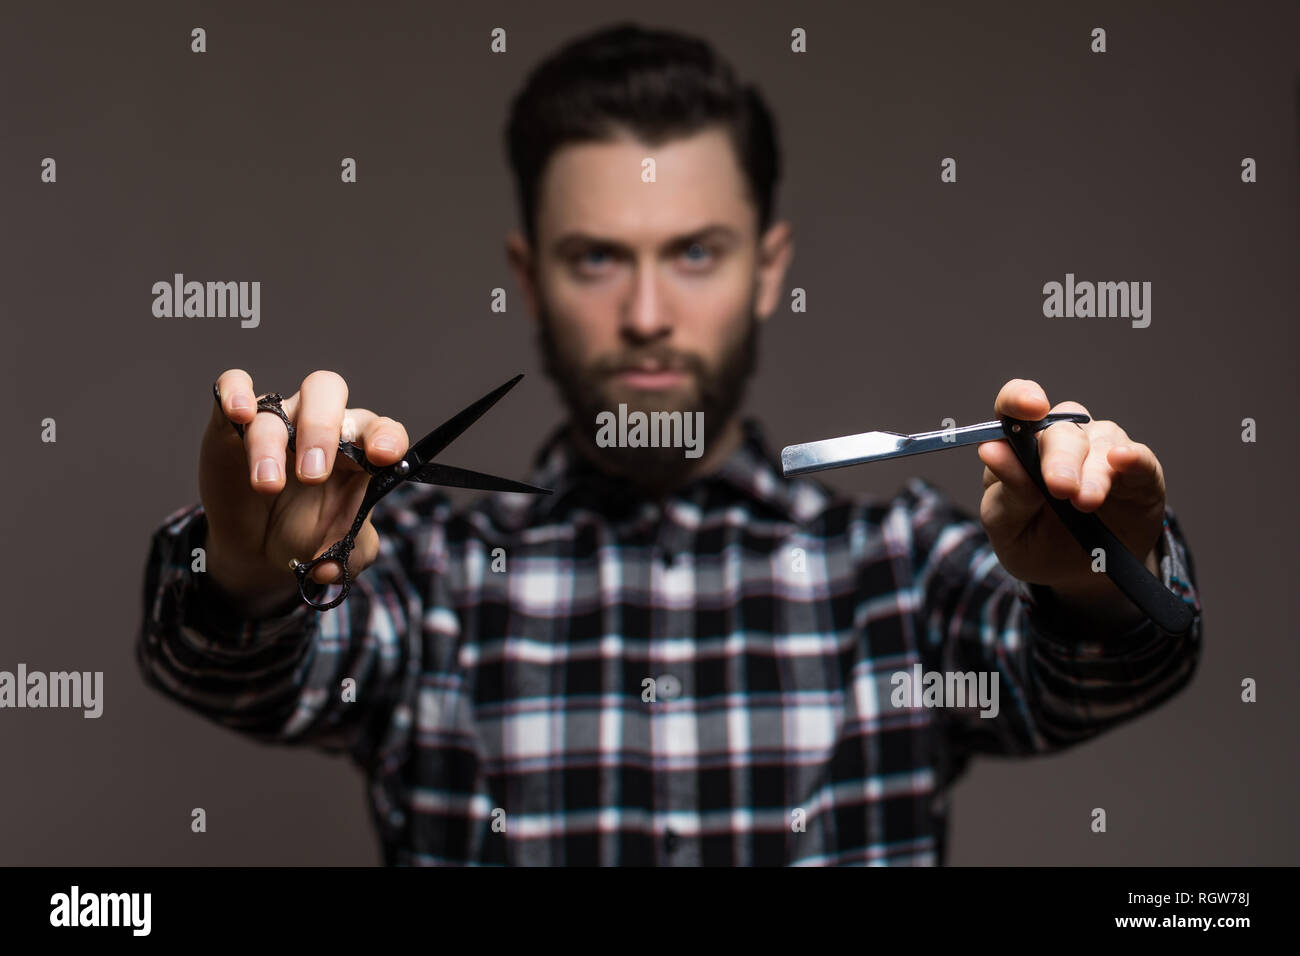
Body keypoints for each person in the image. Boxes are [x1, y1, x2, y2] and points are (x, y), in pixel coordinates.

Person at [136, 22, 1202, 866]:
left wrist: (1105, 573)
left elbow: (1087, 678)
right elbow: (250, 674)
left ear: (767, 266)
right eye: (597, 257)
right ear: (530, 275)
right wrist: (244, 568)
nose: (647, 311)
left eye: (694, 251)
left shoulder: (904, 573)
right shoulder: (427, 581)